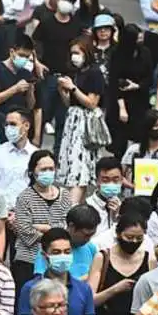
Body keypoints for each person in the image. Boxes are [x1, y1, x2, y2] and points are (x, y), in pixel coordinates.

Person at [11, 150, 74, 293]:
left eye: (51, 169)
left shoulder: (64, 195)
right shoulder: (25, 197)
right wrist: (53, 233)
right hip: (28, 259)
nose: (48, 172)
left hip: (57, 260)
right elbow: (24, 231)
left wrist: (44, 228)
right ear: (33, 171)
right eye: (43, 169)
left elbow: (66, 228)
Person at [56, 38, 105, 201]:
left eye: (77, 53)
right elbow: (69, 103)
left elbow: (92, 103)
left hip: (86, 124)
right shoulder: (75, 72)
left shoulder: (95, 72)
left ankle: (72, 207)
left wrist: (73, 88)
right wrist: (63, 90)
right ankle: (77, 206)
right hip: (72, 120)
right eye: (72, 53)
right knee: (71, 166)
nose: (73, 57)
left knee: (80, 168)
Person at [33, 0, 82, 148]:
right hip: (48, 75)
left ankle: (58, 157)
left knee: (63, 120)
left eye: (69, 0)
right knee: (42, 115)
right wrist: (37, 63)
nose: (65, 2)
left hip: (68, 78)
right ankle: (36, 150)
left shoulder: (76, 25)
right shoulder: (46, 22)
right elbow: (33, 44)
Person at [87, 212, 155, 315]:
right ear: (118, 234)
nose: (134, 242)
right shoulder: (102, 258)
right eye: (129, 237)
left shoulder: (149, 260)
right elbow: (90, 301)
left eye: (139, 238)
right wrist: (115, 289)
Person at [19, 227, 95, 315]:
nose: (63, 256)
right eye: (56, 252)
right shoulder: (30, 288)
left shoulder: (84, 289)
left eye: (67, 252)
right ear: (45, 255)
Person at [108, 24, 153, 159]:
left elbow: (149, 76)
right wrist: (122, 108)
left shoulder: (145, 52)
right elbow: (114, 80)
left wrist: (138, 86)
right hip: (121, 99)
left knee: (139, 137)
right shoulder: (117, 53)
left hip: (140, 98)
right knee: (120, 139)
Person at [0, 35, 38, 131]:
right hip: (1, 121)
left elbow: (31, 106)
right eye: (21, 55)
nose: (24, 59)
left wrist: (31, 90)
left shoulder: (26, 73)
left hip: (20, 124)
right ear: (12, 52)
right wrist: (15, 89)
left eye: (27, 56)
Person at [0, 107, 38, 216]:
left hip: (27, 215)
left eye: (13, 124)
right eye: (6, 125)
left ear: (26, 126)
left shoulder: (36, 155)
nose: (8, 128)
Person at [121, 111, 158, 192]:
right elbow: (120, 175)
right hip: (134, 197)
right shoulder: (134, 150)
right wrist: (132, 186)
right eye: (156, 126)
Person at [85, 157, 124, 232]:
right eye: (105, 180)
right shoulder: (87, 206)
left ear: (122, 180)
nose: (111, 184)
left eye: (115, 180)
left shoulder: (124, 207)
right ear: (96, 181)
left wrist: (117, 218)